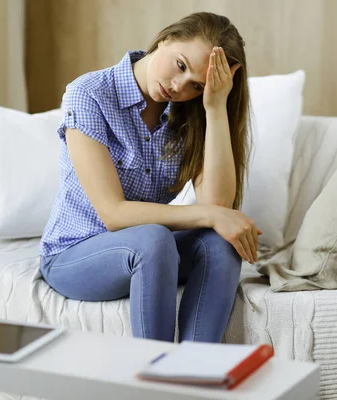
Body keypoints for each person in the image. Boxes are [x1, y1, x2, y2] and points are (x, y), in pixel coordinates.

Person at [39, 12, 261, 343]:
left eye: (196, 86)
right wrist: (212, 214)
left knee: (220, 244)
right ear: (167, 38)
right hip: (74, 254)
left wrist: (214, 108)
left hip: (148, 251)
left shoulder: (191, 112)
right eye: (181, 65)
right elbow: (114, 214)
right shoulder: (89, 93)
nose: (178, 87)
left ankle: (192, 372)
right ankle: (152, 380)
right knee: (153, 239)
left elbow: (217, 206)